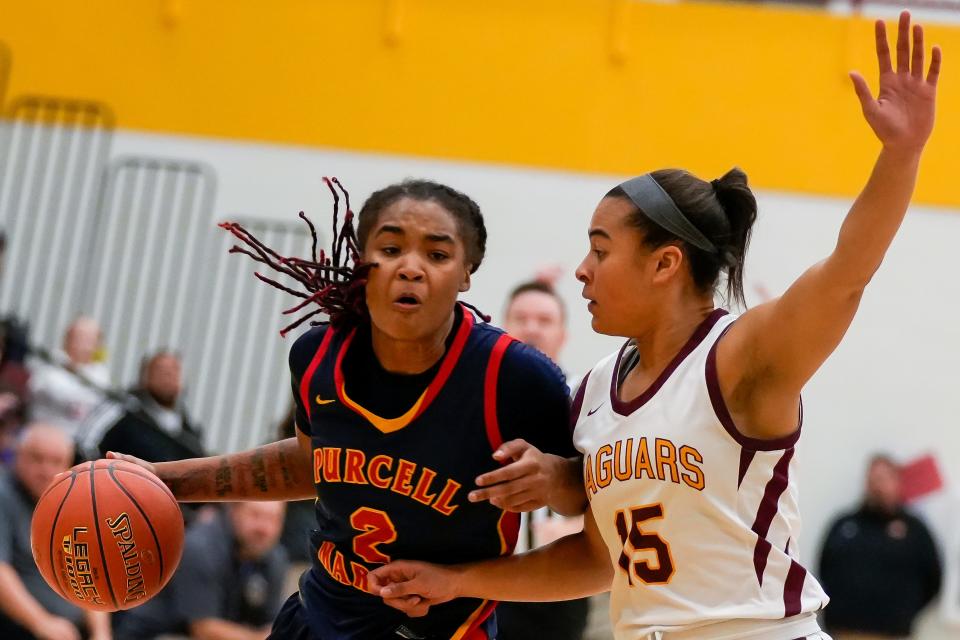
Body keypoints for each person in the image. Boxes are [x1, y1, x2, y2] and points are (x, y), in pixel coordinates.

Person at [366, 12, 942, 640]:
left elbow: (846, 274)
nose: (583, 271)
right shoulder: (591, 393)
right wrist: (457, 579)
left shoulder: (739, 357)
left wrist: (901, 153)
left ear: (665, 264)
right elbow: (597, 559)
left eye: (601, 250)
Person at [108, 178, 585, 639]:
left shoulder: (517, 377)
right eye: (391, 249)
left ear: (466, 273)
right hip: (317, 618)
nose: (411, 268)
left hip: (439, 629)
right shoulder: (317, 355)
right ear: (361, 262)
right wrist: (162, 481)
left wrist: (554, 477)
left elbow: (580, 501)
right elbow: (313, 463)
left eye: (437, 254)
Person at [497, 279, 590, 640]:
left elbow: (614, 483)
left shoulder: (586, 400)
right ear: (502, 326)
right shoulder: (475, 397)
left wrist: (583, 527)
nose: (532, 328)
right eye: (521, 318)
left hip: (559, 577)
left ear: (563, 334)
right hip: (482, 576)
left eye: (544, 320)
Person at [115, 501, 289, 640]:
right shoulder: (200, 547)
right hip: (158, 634)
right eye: (256, 515)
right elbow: (204, 630)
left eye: (274, 519)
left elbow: (273, 623)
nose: (264, 529)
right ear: (233, 511)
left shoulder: (275, 557)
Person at [0, 423, 111, 640]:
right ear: (18, 455)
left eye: (56, 462)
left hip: (71, 628)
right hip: (21, 627)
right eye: (37, 458)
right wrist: (41, 622)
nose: (46, 470)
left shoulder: (70, 503)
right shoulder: (4, 495)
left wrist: (101, 632)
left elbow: (89, 574)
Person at [818, 455, 941, 639]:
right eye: (873, 479)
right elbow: (823, 569)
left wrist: (904, 613)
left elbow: (933, 579)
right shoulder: (844, 525)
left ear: (898, 482)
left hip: (892, 634)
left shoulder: (915, 530)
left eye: (883, 479)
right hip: (843, 632)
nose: (877, 486)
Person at [78, 351, 204, 463]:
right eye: (162, 371)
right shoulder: (122, 408)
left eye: (174, 371)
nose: (169, 377)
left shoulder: (190, 433)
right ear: (145, 376)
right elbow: (86, 444)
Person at [29, 317, 111, 437]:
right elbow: (55, 393)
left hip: (78, 445)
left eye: (89, 338)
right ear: (67, 338)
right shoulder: (50, 364)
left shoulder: (100, 374)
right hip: (44, 437)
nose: (82, 343)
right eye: (78, 336)